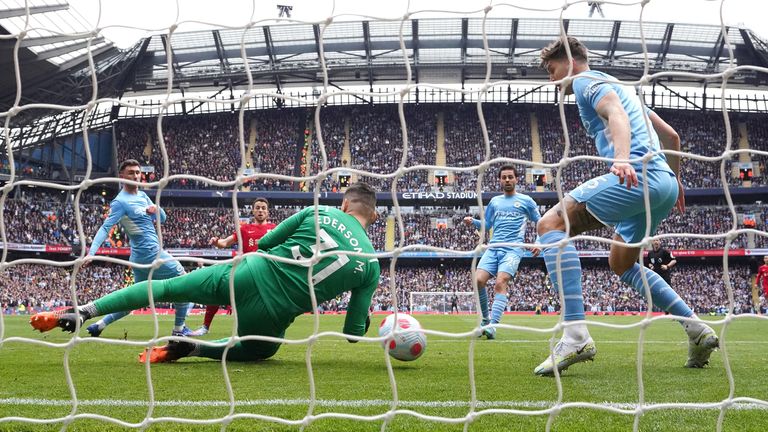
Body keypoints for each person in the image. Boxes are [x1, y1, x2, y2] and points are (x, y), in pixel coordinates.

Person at [30, 183, 380, 363]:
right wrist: (363, 320)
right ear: (374, 217)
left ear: (345, 204)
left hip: (248, 271)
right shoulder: (372, 265)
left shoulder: (318, 212)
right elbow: (352, 333)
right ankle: (194, 348)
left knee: (166, 288)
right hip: (272, 313)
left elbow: (268, 240)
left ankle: (82, 311)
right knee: (260, 353)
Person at [535, 36, 718, 376]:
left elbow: (614, 113)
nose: (551, 78)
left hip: (638, 177)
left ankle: (575, 335)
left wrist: (621, 159)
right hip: (661, 183)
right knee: (622, 263)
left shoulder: (587, 81)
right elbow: (672, 137)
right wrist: (675, 181)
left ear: (571, 62)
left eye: (552, 69)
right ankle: (696, 329)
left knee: (550, 225)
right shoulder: (622, 85)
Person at [83, 159, 192, 338]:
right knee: (185, 283)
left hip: (140, 257)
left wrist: (156, 209)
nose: (135, 176)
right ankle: (179, 330)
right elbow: (105, 228)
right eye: (131, 173)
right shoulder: (120, 202)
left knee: (135, 299)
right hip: (151, 253)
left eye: (137, 172)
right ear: (122, 176)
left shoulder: (142, 195)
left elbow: (162, 219)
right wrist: (91, 253)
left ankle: (99, 325)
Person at [463, 165, 540, 339]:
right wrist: (473, 222)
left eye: (510, 177)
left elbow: (540, 222)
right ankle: (485, 319)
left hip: (513, 249)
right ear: (499, 180)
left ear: (516, 179)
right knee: (478, 280)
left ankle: (492, 326)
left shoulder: (526, 201)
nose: (507, 180)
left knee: (501, 282)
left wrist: (539, 242)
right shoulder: (495, 202)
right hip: (493, 248)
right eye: (504, 177)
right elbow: (487, 225)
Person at [187, 198, 277, 336]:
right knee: (218, 289)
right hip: (247, 270)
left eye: (263, 208)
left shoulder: (274, 229)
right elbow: (225, 243)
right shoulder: (244, 229)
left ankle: (270, 331)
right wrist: (217, 242)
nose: (260, 210)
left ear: (268, 212)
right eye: (257, 207)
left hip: (266, 272)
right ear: (252, 211)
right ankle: (205, 327)